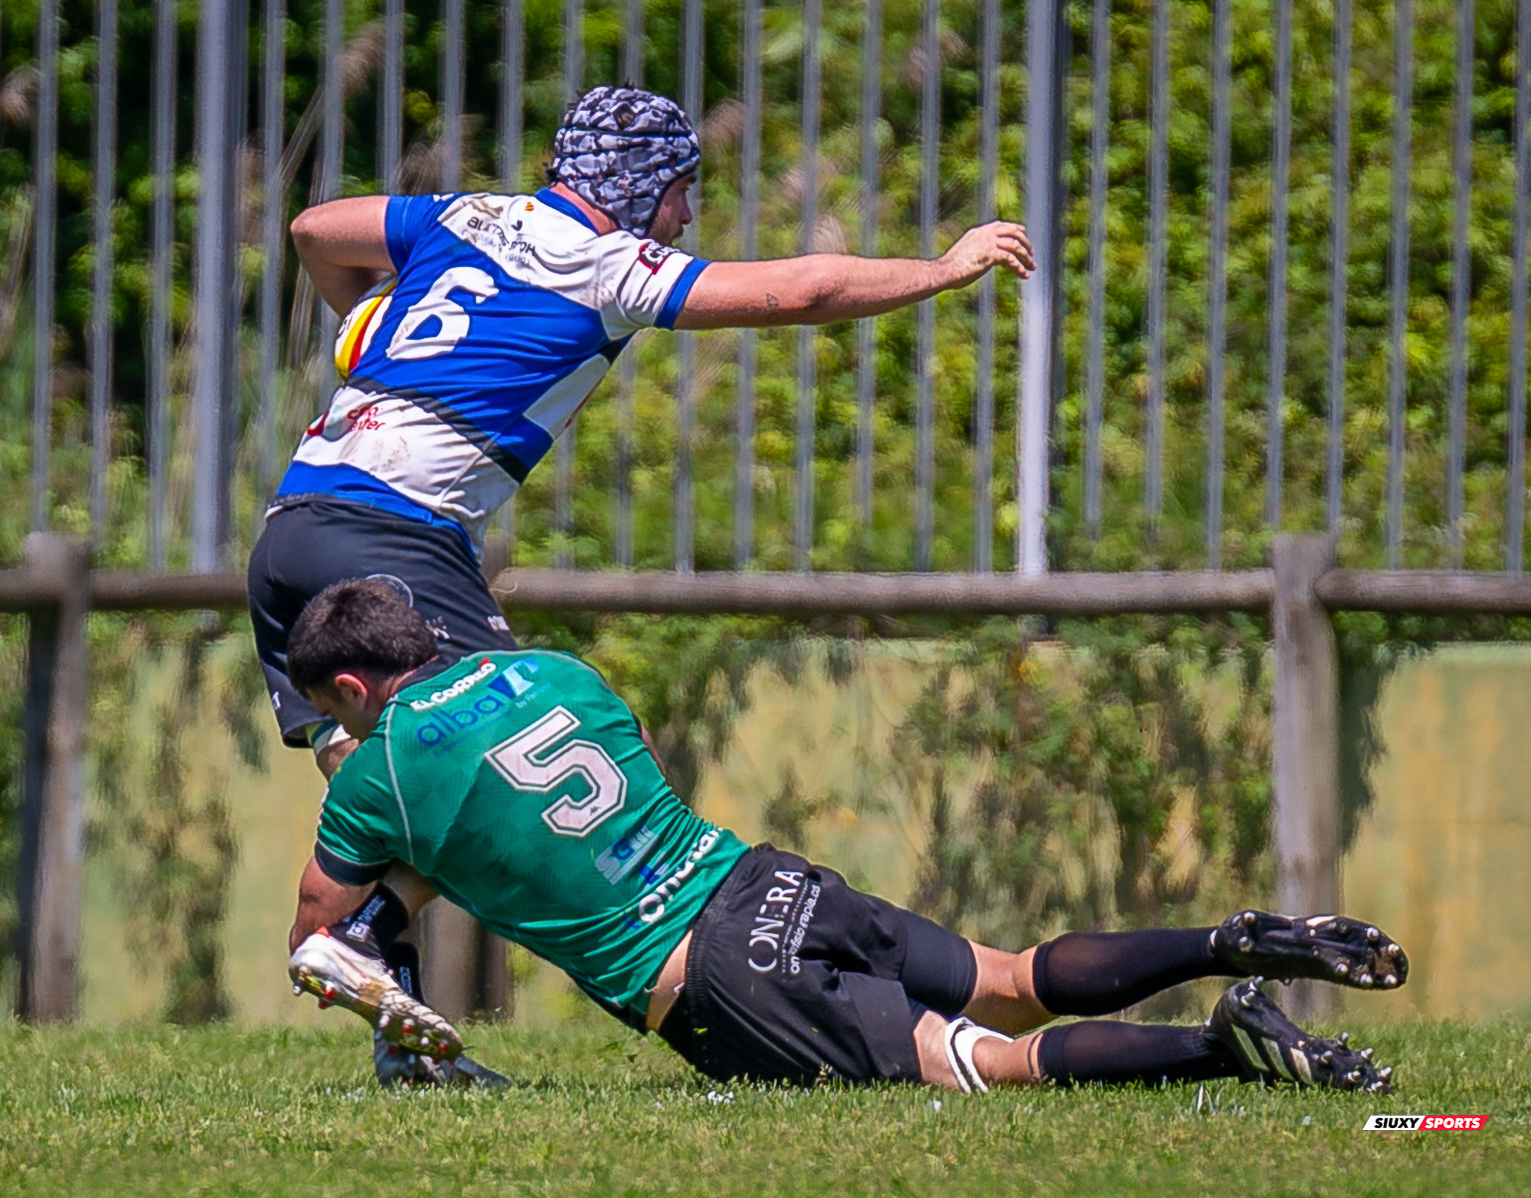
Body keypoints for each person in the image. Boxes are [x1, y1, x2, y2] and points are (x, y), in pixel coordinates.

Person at [251, 83, 1033, 1083]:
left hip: (292, 526)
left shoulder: (470, 215)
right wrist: (940, 269)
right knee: (503, 742)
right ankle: (349, 936)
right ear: (643, 189)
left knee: (388, 779)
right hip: (396, 534)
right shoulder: (610, 265)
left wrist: (359, 320)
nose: (689, 216)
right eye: (683, 192)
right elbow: (795, 293)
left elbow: (316, 226)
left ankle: (402, 1043)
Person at [282, 578, 1403, 1093]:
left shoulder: (380, 766)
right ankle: (1226, 939)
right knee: (1009, 979)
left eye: (331, 714)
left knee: (982, 1063)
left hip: (711, 977)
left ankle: (1224, 1048)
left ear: (350, 684)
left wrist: (363, 862)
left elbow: (323, 929)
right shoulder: (554, 668)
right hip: (761, 879)